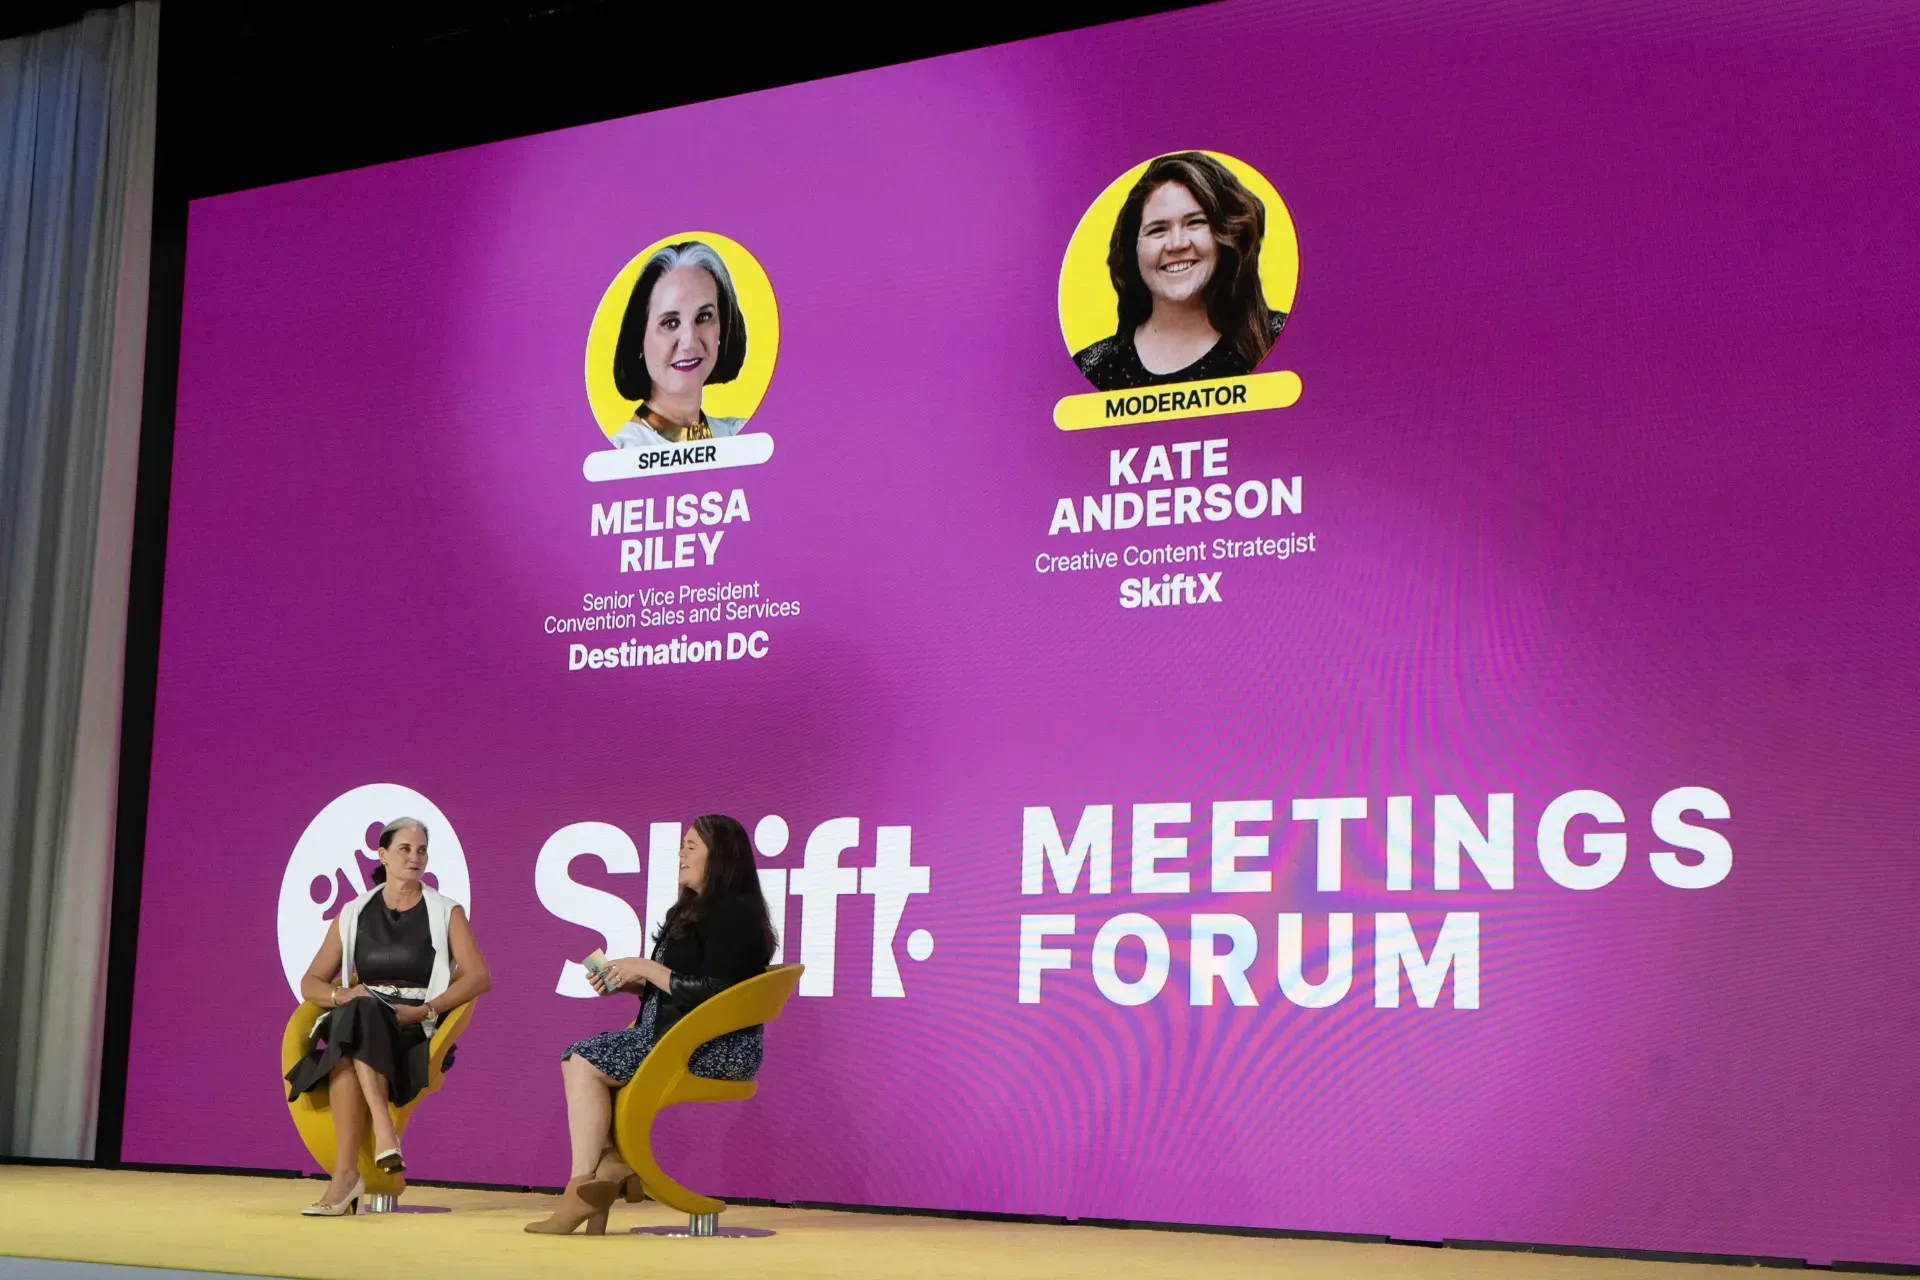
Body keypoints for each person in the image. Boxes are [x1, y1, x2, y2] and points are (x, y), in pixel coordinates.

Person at [526, 814, 775, 1235]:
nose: (681, 853)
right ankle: (604, 1174)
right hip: (679, 1035)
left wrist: (644, 966)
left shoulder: (736, 916)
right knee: (578, 1056)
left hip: (715, 1046)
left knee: (583, 1059)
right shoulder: (689, 912)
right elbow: (681, 992)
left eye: (692, 845)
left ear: (722, 857)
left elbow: (716, 993)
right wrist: (628, 985)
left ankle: (582, 1186)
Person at [284, 817, 491, 1217]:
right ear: (382, 855)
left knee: (347, 1038)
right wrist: (341, 993)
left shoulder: (446, 912)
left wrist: (427, 1009)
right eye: (405, 849)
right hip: (363, 1019)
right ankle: (382, 1133)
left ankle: (346, 1178)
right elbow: (310, 981)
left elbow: (480, 976)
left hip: (412, 1028)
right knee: (357, 1011)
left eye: (421, 850)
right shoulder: (353, 913)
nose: (415, 858)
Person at [1073, 152, 1287, 392]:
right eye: (1157, 230)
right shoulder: (1092, 369)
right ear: (1133, 248)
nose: (1177, 243)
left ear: (1226, 235)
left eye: (1195, 223)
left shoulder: (1284, 339)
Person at [609, 241, 751, 447]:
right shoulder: (618, 456)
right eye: (670, 323)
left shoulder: (744, 438)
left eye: (703, 317)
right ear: (639, 339)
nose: (689, 342)